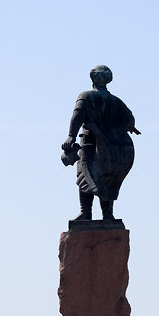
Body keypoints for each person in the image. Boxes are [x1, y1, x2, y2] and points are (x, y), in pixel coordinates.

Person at [61, 65, 140, 221]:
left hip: (90, 141)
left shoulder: (86, 96)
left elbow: (77, 115)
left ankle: (86, 213)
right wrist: (129, 128)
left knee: (86, 175)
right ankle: (108, 215)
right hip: (112, 146)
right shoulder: (116, 101)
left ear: (92, 78)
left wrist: (71, 136)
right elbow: (130, 120)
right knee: (108, 177)